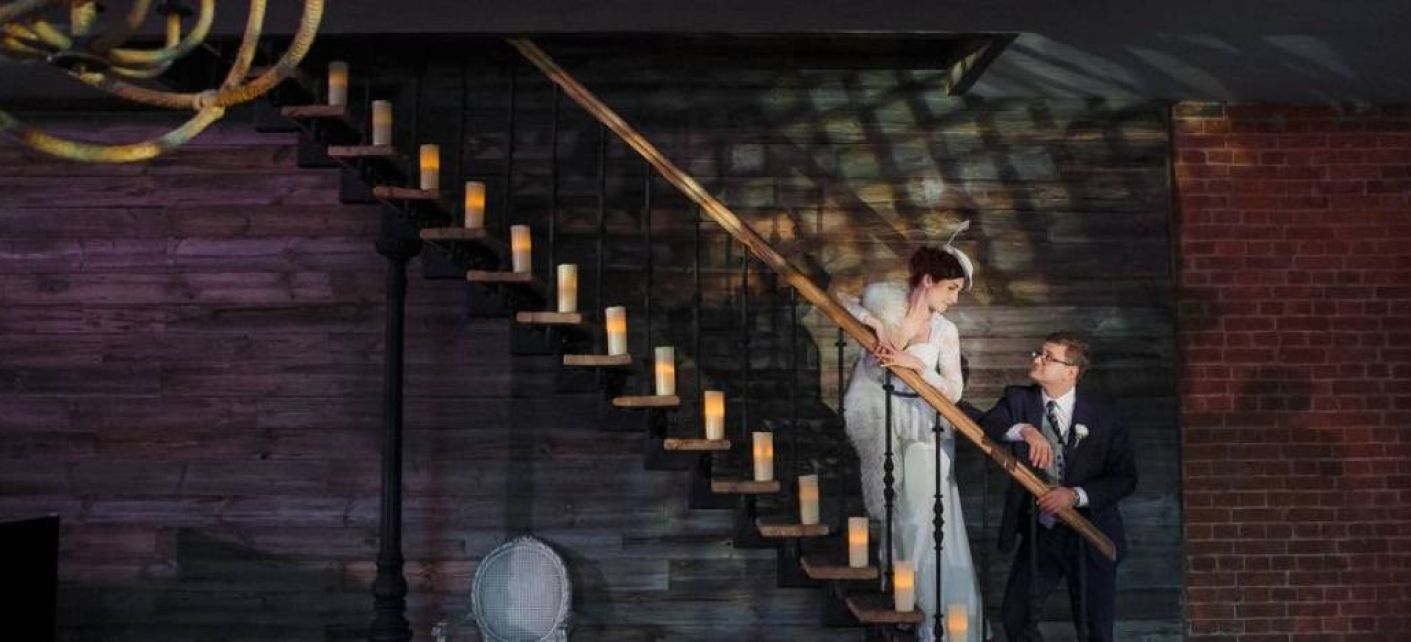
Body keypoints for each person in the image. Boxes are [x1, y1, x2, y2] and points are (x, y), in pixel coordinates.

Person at [835, 232, 982, 642]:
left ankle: (937, 619)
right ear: (928, 281)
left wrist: (916, 367)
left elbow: (954, 391)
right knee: (895, 517)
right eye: (951, 288)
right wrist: (874, 323)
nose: (955, 298)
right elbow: (841, 302)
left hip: (924, 427)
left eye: (958, 290)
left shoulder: (945, 330)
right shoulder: (886, 306)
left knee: (923, 521)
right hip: (886, 420)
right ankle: (902, 607)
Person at [981, 332, 1137, 642]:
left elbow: (1125, 478)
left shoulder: (1104, 413)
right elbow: (989, 424)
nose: (1037, 359)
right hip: (1042, 531)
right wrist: (1025, 430)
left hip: (1091, 532)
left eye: (1048, 357)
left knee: (1095, 630)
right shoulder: (1019, 399)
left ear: (1071, 372)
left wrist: (1076, 496)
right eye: (1038, 353)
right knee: (1016, 616)